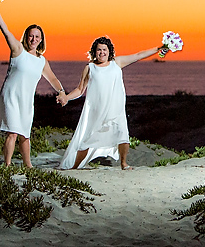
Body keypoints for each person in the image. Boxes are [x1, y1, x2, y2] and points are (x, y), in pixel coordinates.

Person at [58, 36, 163, 170]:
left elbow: (138, 55)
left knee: (123, 135)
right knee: (88, 140)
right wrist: (66, 97)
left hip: (116, 109)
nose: (102, 53)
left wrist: (159, 48)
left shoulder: (117, 63)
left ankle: (124, 164)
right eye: (99, 50)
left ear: (109, 51)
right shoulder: (90, 68)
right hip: (98, 111)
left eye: (104, 50)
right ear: (94, 52)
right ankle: (75, 166)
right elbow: (80, 89)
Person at [0, 6, 69, 167]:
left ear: (41, 40)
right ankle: (6, 166)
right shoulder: (18, 50)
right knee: (13, 132)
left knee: (25, 135)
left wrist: (61, 92)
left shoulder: (42, 61)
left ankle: (28, 167)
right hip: (11, 96)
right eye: (31, 36)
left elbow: (53, 78)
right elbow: (6, 32)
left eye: (37, 37)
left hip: (26, 100)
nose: (33, 39)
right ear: (26, 37)